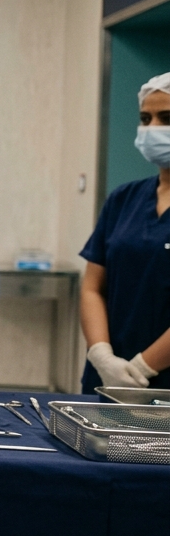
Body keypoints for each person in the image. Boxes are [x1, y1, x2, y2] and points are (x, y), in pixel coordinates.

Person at [79, 72, 170, 391]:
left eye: (166, 118)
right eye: (146, 118)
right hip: (107, 380)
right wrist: (103, 357)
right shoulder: (123, 199)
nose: (152, 129)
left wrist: (141, 367)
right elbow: (92, 286)